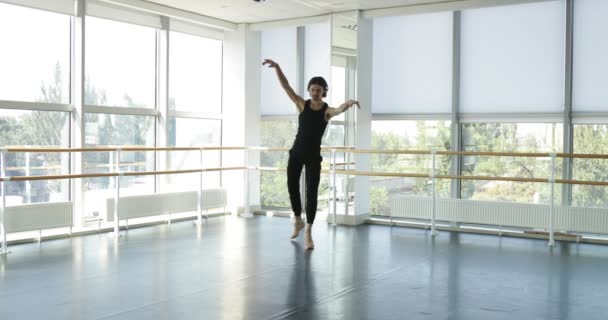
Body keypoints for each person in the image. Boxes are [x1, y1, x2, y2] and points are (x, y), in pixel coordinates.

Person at [262, 58, 359, 250]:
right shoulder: (301, 104)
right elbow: (286, 87)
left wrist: (348, 103)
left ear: (324, 92)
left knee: (312, 193)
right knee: (291, 186)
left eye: (319, 90)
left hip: (313, 157)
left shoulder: (326, 111)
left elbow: (339, 109)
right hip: (296, 153)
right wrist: (278, 67)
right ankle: (297, 219)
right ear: (309, 91)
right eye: (312, 89)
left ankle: (308, 231)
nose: (315, 93)